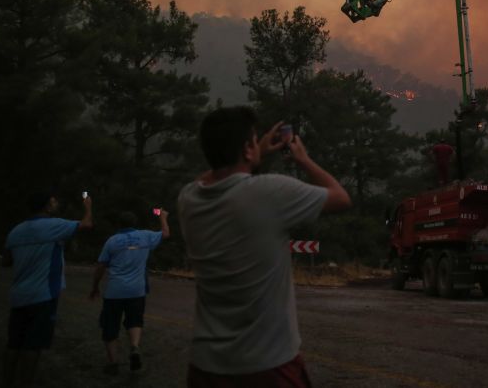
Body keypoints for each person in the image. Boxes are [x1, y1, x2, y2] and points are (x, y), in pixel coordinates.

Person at [179, 106, 352, 387]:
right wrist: (304, 159)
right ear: (247, 148)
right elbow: (341, 198)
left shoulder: (188, 199)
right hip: (268, 365)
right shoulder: (270, 191)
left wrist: (252, 150)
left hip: (205, 365)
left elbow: (207, 178)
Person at [2, 191, 93, 387]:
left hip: (19, 295)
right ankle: (26, 382)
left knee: (14, 343)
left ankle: (7, 381)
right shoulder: (54, 225)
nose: (56, 203)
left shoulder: (16, 231)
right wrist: (88, 206)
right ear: (46, 206)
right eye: (53, 201)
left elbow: (6, 260)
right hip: (43, 295)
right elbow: (86, 224)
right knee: (33, 345)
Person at [89, 208, 171, 375]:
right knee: (134, 321)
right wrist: (162, 217)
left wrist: (95, 286)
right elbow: (165, 233)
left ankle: (113, 363)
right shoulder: (146, 236)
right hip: (137, 291)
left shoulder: (112, 241)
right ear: (135, 223)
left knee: (110, 326)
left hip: (114, 292)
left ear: (119, 224)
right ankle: (134, 347)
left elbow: (101, 266)